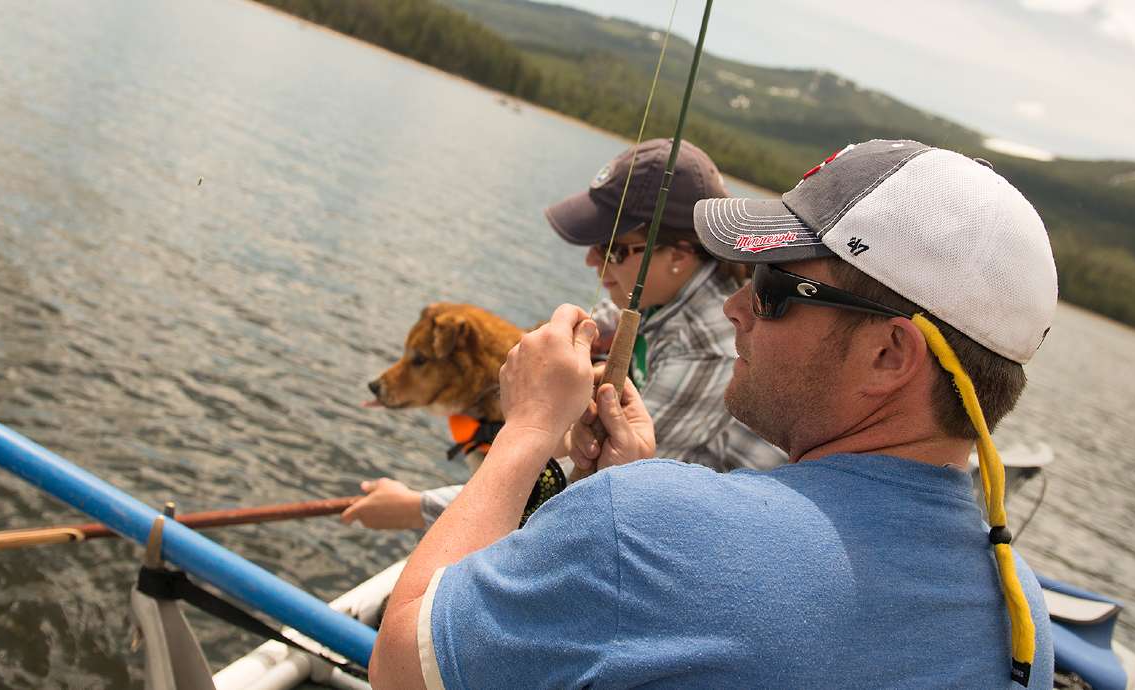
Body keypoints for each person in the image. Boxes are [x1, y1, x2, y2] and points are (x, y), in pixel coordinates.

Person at [367, 139, 1057, 689]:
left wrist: (528, 432)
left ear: (887, 354)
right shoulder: (1022, 617)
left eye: (773, 288)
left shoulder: (648, 525)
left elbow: (402, 662)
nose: (735, 307)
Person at [342, 139, 784, 531]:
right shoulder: (658, 295)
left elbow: (586, 484)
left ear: (679, 256)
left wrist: (414, 507)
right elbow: (596, 323)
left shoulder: (706, 350)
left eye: (612, 249)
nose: (592, 263)